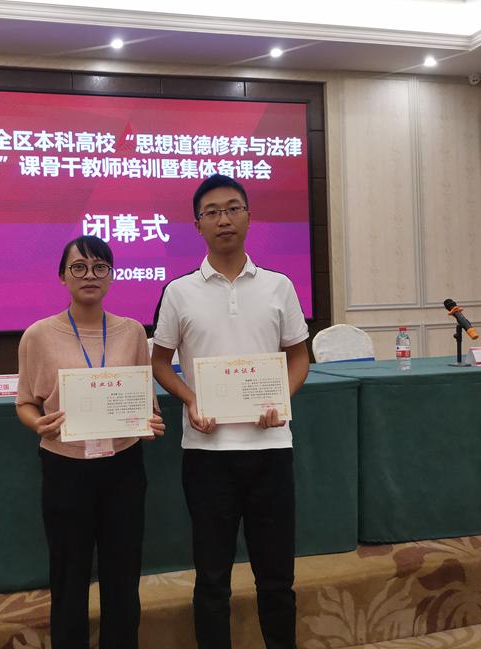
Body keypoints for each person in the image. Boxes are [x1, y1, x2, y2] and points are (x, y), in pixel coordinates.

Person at [151, 174, 310, 649]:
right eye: (212, 212)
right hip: (207, 454)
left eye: (233, 208)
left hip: (270, 448)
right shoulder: (179, 291)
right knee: (212, 580)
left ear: (248, 216)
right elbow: (159, 362)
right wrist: (190, 398)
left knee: (277, 579)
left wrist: (281, 399)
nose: (224, 219)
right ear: (197, 224)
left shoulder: (279, 286)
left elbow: (299, 356)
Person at [16, 234, 165, 649]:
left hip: (123, 466)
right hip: (65, 466)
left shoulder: (132, 332)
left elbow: (145, 402)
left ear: (112, 276)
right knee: (69, 575)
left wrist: (152, 423)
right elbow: (25, 402)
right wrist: (38, 424)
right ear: (62, 277)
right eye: (78, 267)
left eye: (100, 267)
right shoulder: (38, 335)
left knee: (123, 574)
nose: (89, 275)